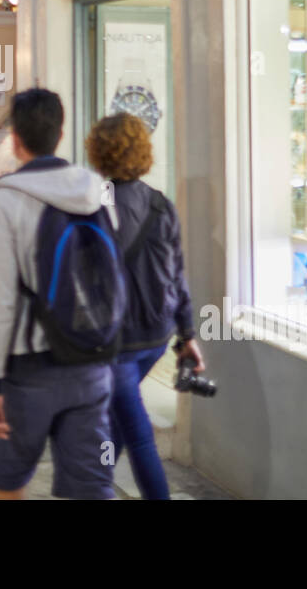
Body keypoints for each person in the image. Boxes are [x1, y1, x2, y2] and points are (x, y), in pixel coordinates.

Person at [0, 88, 115, 500]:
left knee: (8, 482)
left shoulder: (8, 198)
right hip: (91, 360)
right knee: (89, 488)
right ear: (60, 134)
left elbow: (0, 300)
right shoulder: (97, 189)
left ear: (14, 138)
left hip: (28, 368)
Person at [86, 113, 203, 500]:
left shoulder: (95, 206)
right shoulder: (161, 204)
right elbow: (177, 275)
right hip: (156, 336)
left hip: (118, 341)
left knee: (138, 438)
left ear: (99, 153)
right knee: (118, 422)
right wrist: (187, 336)